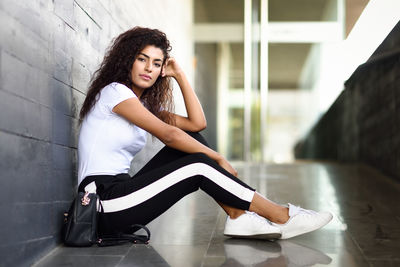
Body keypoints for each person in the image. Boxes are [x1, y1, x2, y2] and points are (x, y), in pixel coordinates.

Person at [77, 26, 332, 240]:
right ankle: (280, 215)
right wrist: (218, 158)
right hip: (100, 202)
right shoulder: (114, 92)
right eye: (142, 59)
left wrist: (179, 74)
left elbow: (196, 124)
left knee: (194, 143)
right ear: (127, 60)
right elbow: (170, 135)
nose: (149, 68)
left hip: (122, 194)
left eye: (156, 63)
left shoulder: (143, 106)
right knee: (198, 163)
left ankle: (238, 216)